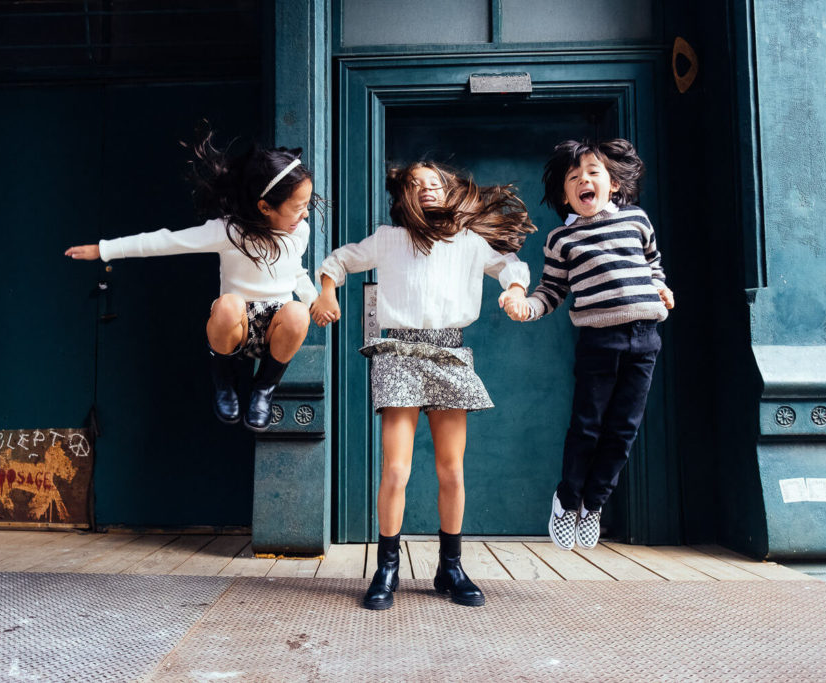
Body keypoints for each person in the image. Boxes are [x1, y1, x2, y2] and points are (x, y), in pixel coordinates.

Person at [311, 161, 535, 609]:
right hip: (401, 353)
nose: (427, 189)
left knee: (451, 470)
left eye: (435, 183)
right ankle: (386, 568)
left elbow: (512, 265)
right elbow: (339, 260)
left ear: (451, 192)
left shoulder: (471, 242)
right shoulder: (389, 238)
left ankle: (450, 567)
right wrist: (327, 291)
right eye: (416, 183)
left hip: (450, 353)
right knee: (395, 469)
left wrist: (514, 291)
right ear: (403, 195)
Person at [65, 126, 319, 432]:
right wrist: (103, 249)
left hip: (273, 326)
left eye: (306, 205)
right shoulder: (229, 231)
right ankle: (223, 381)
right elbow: (165, 242)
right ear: (265, 207)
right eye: (298, 207)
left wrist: (312, 299)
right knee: (227, 305)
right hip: (236, 325)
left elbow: (295, 270)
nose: (305, 214)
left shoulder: (299, 232)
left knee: (297, 314)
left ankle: (263, 389)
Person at [503, 138, 675, 552]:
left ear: (613, 183)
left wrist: (661, 288)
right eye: (574, 177)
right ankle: (567, 500)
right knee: (587, 426)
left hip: (646, 338)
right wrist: (525, 306)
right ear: (565, 194)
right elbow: (551, 290)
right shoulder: (562, 239)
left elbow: (652, 264)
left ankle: (593, 503)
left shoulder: (637, 221)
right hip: (600, 339)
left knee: (624, 429)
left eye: (593, 172)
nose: (584, 180)